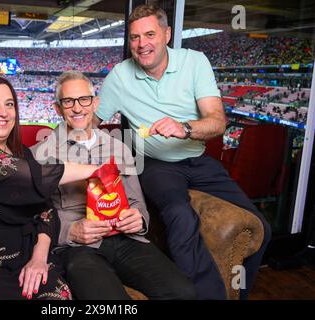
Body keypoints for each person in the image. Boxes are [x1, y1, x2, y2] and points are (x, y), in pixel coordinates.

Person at [94, 4, 271, 299]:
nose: (141, 44)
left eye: (149, 34)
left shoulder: (194, 61)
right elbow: (88, 122)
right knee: (180, 215)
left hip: (198, 159)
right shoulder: (119, 76)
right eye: (134, 37)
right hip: (154, 163)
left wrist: (184, 128)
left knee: (260, 226)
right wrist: (63, 117)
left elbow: (217, 122)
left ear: (167, 34)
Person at [31, 71, 195, 300]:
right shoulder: (39, 155)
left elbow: (137, 202)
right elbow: (35, 218)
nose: (77, 108)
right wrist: (70, 232)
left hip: (126, 241)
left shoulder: (119, 148)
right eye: (68, 102)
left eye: (84, 100)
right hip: (78, 248)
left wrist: (139, 218)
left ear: (95, 103)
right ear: (58, 109)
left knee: (184, 292)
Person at [0, 75, 100, 300]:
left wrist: (39, 258)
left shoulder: (23, 153)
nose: (3, 112)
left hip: (27, 256)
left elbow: (47, 210)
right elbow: (37, 177)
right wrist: (98, 170)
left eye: (9, 104)